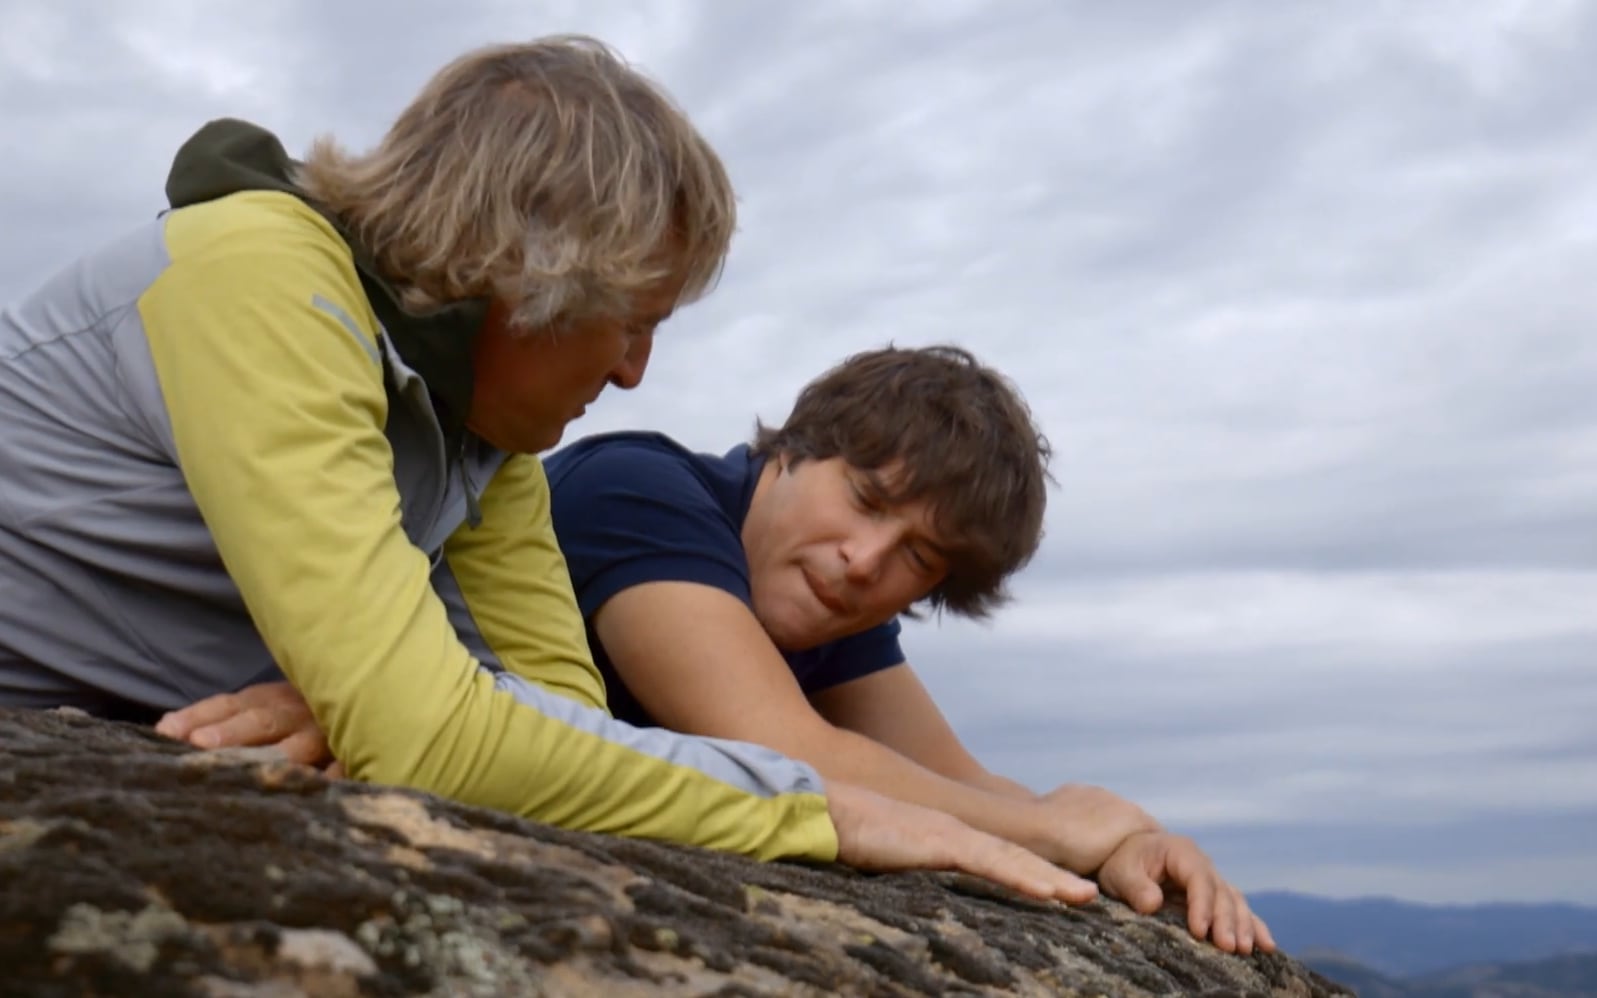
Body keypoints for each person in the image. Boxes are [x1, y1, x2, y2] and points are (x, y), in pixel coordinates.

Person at [0, 36, 1106, 901]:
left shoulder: (490, 440)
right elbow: (437, 734)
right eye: (632, 320)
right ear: (525, 268)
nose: (634, 371)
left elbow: (550, 714)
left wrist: (369, 706)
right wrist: (827, 812)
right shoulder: (258, 279)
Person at [166, 346, 1275, 954]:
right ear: (788, 449)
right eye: (864, 498)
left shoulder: (828, 614)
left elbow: (958, 790)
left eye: (918, 559)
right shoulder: (638, 488)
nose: (862, 562)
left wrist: (1128, 844)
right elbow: (781, 746)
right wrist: (1058, 823)